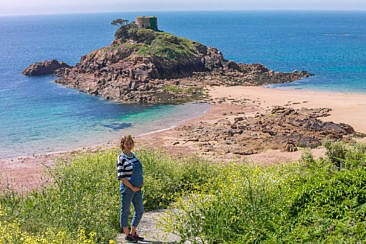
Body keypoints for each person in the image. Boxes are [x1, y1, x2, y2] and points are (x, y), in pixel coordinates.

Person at [117, 135, 144, 242]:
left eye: (131, 143)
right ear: (122, 145)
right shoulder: (121, 158)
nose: (129, 145)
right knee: (125, 211)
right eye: (127, 144)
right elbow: (121, 177)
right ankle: (127, 235)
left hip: (137, 188)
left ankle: (133, 232)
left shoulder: (134, 155)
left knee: (140, 210)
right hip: (128, 189)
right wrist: (132, 187)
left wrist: (140, 184)